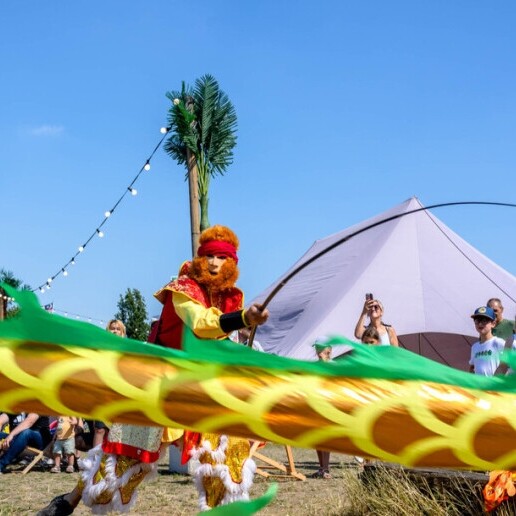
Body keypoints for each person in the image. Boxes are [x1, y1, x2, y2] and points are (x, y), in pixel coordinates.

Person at [38, 225, 269, 515]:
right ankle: (68, 501)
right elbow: (201, 323)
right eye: (208, 255)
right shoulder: (184, 290)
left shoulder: (229, 298)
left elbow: (222, 343)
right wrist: (242, 317)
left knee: (225, 453)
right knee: (122, 457)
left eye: (221, 258)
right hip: (162, 385)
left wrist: (246, 328)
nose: (213, 263)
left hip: (204, 389)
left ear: (232, 263)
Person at [468, 306, 513, 376]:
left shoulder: (498, 343)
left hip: (495, 385)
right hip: (480, 386)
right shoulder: (475, 347)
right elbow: (472, 367)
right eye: (477, 321)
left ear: (493, 324)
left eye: (484, 321)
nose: (480, 324)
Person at [311, 337, 333, 479]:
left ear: (329, 350)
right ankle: (321, 467)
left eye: (321, 348)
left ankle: (325, 468)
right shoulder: (314, 367)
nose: (318, 351)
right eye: (317, 348)